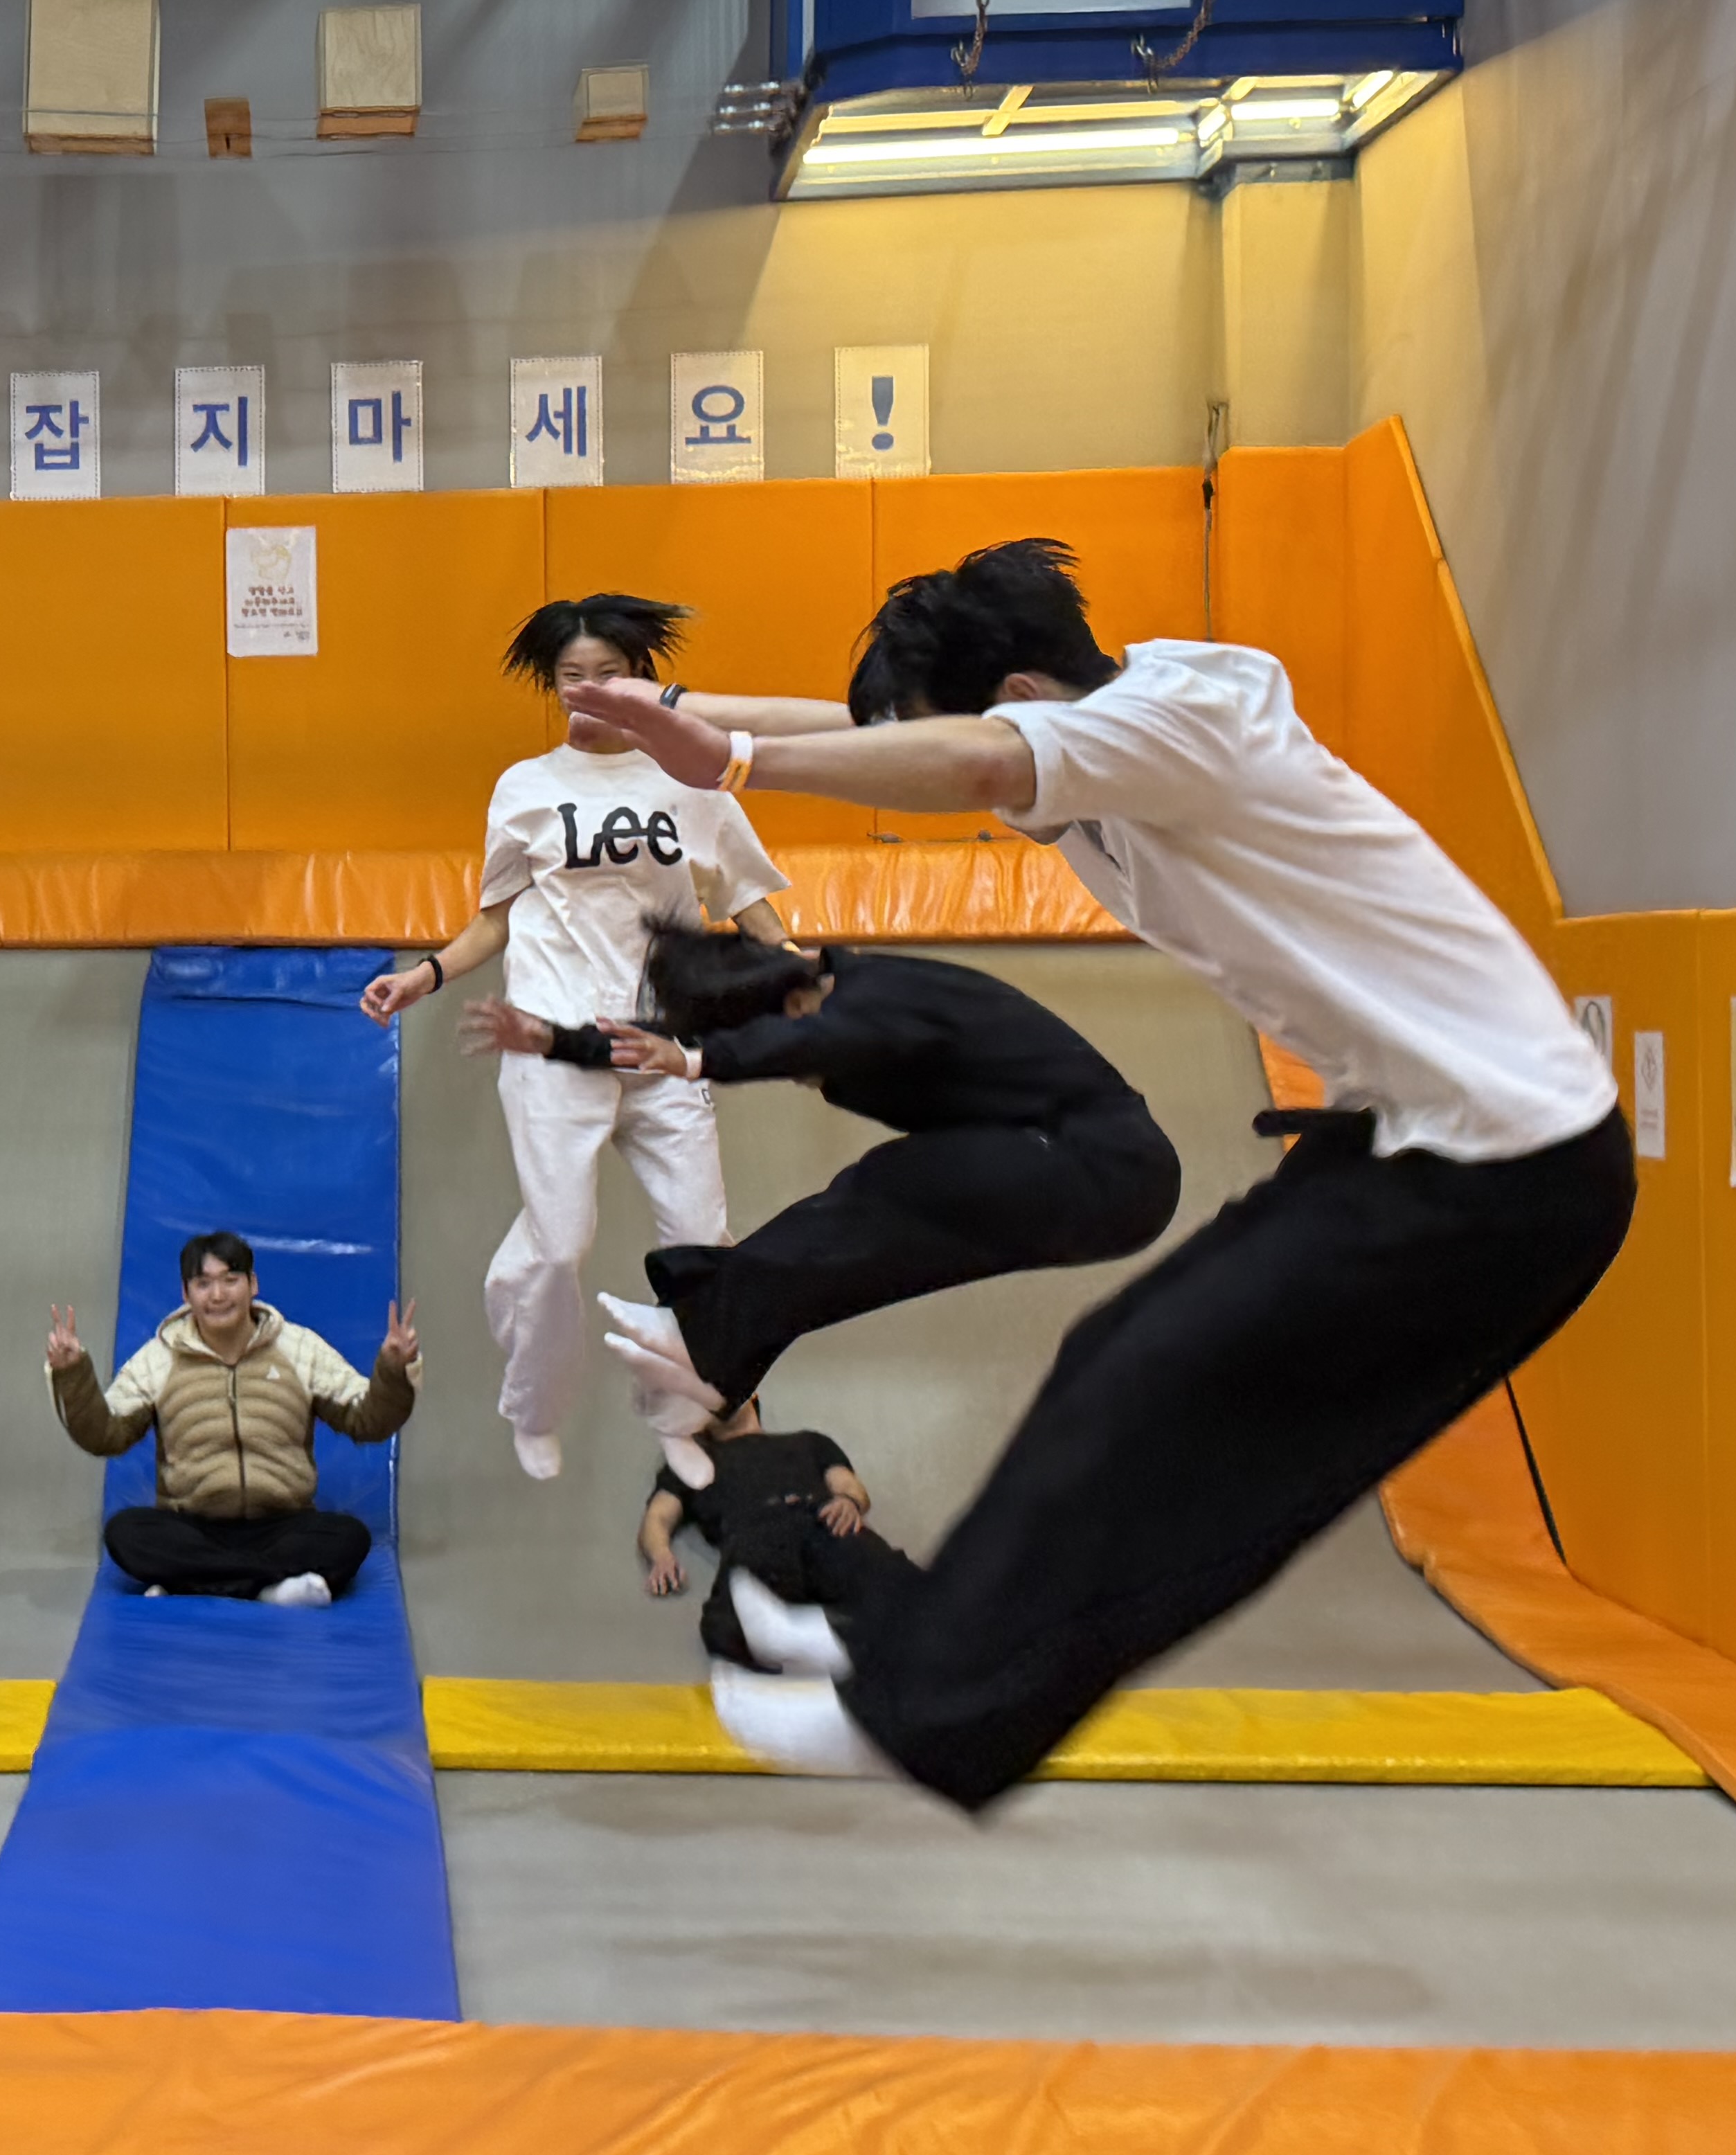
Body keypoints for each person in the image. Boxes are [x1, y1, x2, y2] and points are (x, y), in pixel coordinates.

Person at [564, 537, 1630, 1805]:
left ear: (1021, 698)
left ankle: (921, 1714)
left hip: (1512, 1169)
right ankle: (910, 1666)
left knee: (1176, 1411)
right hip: (1410, 1144)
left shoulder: (1185, 721)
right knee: (1114, 1366)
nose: (978, 794)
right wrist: (676, 709)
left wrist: (738, 762)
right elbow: (888, 734)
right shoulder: (1097, 740)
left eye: (978, 735)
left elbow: (970, 760)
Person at [461, 926, 1181, 1487]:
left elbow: (818, 1038)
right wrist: (555, 1041)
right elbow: (679, 1044)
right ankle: (712, 1361)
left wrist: (702, 1063)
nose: (806, 1078)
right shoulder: (828, 991)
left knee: (890, 1188)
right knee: (873, 1252)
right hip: (1070, 1177)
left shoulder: (876, 995)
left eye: (798, 1061)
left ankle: (702, 1336)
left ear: (796, 1008)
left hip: (1111, 1164)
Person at [359, 594, 785, 1482]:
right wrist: (423, 976)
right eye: (572, 679)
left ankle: (683, 1410)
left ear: (643, 680)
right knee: (558, 1247)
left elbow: (748, 900)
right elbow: (496, 918)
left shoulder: (690, 780)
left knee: (705, 1244)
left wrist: (809, 986)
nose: (589, 692)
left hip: (662, 1046)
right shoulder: (525, 787)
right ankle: (534, 1404)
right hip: (553, 1043)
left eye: (609, 675)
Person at [45, 1231, 422, 1604]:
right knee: (126, 1533)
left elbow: (368, 1421)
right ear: (186, 1293)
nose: (218, 1295)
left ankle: (188, 1584)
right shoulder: (159, 1358)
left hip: (283, 1527)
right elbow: (105, 1436)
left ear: (252, 1284)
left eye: (230, 1280)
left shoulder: (300, 1348)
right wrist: (72, 1374)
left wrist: (393, 1369)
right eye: (203, 1283)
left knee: (349, 1537)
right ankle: (271, 1588)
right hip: (192, 1527)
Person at [631, 1396, 873, 1604]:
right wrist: (661, 1556)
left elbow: (847, 1485)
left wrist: (848, 1501)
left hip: (826, 1535)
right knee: (730, 1623)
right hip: (756, 1552)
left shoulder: (811, 1443)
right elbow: (658, 1517)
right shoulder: (692, 1464)